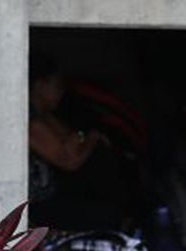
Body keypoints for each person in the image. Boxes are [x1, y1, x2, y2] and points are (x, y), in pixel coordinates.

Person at [27, 51, 135, 232]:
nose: (60, 93)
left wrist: (83, 138)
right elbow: (69, 160)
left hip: (53, 192)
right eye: (57, 87)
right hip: (36, 204)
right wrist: (90, 137)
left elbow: (72, 139)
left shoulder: (45, 115)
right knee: (105, 215)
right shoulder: (29, 120)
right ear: (39, 86)